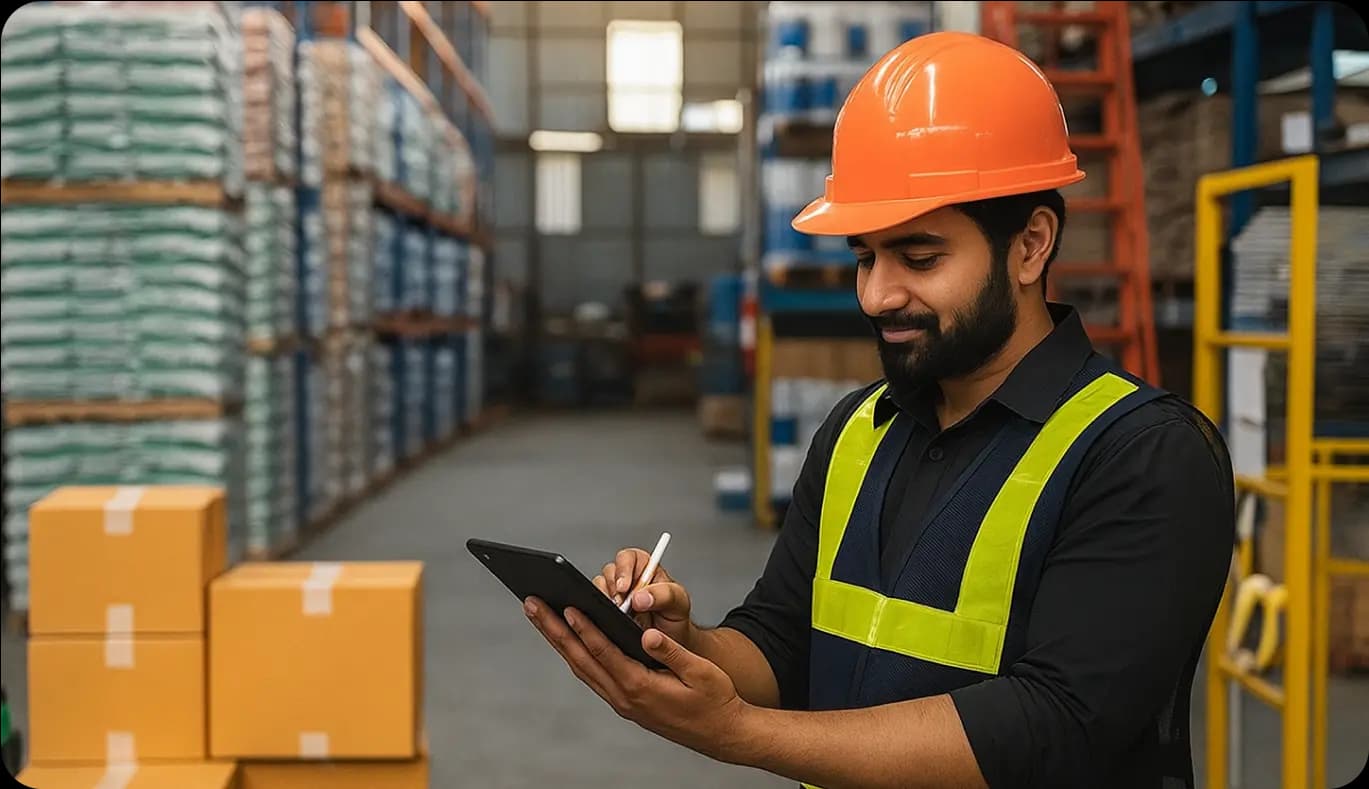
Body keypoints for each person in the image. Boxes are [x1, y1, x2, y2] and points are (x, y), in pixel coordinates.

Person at [523, 31, 1235, 789]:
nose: (876, 294)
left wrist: (740, 733)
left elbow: (1054, 724)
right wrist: (681, 643)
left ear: (1030, 245)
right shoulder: (860, 430)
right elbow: (780, 640)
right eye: (865, 256)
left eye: (919, 257)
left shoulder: (1143, 453)